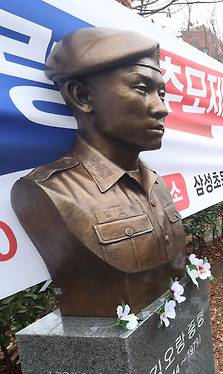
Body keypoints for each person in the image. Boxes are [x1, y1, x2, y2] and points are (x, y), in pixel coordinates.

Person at [10, 28, 186, 317]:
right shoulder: (51, 192)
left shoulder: (156, 183)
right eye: (142, 89)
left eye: (162, 93)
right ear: (82, 96)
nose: (161, 108)